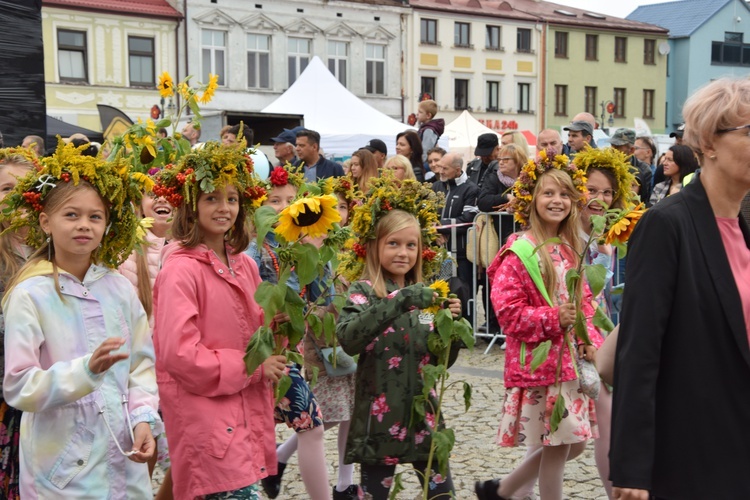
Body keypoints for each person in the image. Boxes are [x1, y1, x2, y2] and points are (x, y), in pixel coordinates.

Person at [610, 78, 750, 500]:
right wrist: (632, 468)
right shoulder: (667, 225)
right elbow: (639, 351)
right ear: (708, 142)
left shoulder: (744, 228)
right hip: (691, 455)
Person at [2, 143, 160, 498]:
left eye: (95, 216)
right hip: (60, 471)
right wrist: (84, 372)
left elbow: (141, 366)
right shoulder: (31, 294)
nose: (84, 226)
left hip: (123, 458)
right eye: (71, 215)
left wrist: (143, 418)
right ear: (45, 221)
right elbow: (19, 385)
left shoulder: (119, 288)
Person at [151, 143, 286, 499]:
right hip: (207, 422)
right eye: (211, 198)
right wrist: (255, 367)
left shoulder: (243, 263)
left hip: (240, 415)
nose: (224, 208)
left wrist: (282, 323)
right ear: (190, 204)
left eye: (232, 198)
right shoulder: (180, 270)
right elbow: (180, 355)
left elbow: (258, 334)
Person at [476, 154, 602, 500]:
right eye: (548, 193)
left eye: (564, 194)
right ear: (531, 198)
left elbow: (584, 303)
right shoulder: (519, 252)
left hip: (568, 365)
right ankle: (507, 491)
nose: (556, 201)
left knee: (568, 445)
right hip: (539, 366)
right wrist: (551, 319)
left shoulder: (570, 248)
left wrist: (589, 338)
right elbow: (508, 314)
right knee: (561, 448)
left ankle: (502, 491)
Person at [337, 205, 463, 499]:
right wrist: (401, 299)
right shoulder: (364, 292)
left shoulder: (427, 296)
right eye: (393, 243)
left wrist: (452, 329)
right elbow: (349, 338)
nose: (402, 252)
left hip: (424, 417)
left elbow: (438, 361)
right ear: (374, 247)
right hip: (379, 423)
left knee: (442, 495)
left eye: (410, 245)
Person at [245, 165, 331, 500]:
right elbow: (246, 302)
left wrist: (320, 253)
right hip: (261, 353)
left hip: (285, 353)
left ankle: (273, 471)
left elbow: (320, 292)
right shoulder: (253, 250)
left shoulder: (300, 245)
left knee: (299, 427)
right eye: (274, 200)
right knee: (308, 426)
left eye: (291, 200)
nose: (283, 207)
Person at [572, 147, 637, 498]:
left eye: (607, 192)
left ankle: (506, 490)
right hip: (576, 340)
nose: (599, 198)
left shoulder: (606, 238)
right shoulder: (570, 238)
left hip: (601, 336)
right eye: (592, 190)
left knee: (569, 441)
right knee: (573, 439)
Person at [119, 175, 174, 500]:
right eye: (151, 194)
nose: (160, 199)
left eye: (168, 193)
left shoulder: (189, 248)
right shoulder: (129, 251)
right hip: (143, 369)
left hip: (178, 366)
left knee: (184, 452)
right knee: (145, 443)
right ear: (139, 203)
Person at [0, 149, 37, 500]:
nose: (16, 197)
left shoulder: (54, 250)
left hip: (43, 392)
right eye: (6, 189)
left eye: (24, 187)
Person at [432, 152, 479, 293]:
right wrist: (434, 232)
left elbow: (467, 220)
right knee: (442, 293)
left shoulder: (471, 189)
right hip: (440, 252)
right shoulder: (435, 187)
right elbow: (427, 215)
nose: (441, 171)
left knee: (462, 294)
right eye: (440, 167)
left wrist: (439, 227)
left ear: (458, 170)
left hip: (461, 256)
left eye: (445, 168)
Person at [608, 128, 653, 204]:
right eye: (612, 146)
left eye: (617, 147)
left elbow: (643, 199)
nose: (612, 150)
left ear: (631, 150)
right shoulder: (606, 165)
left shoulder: (643, 170)